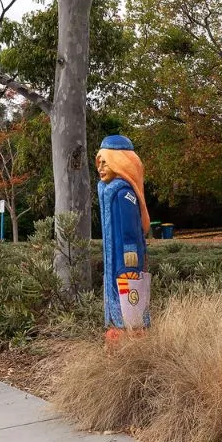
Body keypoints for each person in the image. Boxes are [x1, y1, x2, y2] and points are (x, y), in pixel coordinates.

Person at [95, 135, 151, 345]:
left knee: (127, 285)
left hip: (126, 255)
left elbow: (130, 225)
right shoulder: (107, 189)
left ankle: (131, 327)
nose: (100, 167)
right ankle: (117, 323)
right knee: (116, 285)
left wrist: (129, 249)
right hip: (113, 253)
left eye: (105, 162)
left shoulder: (124, 192)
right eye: (99, 162)